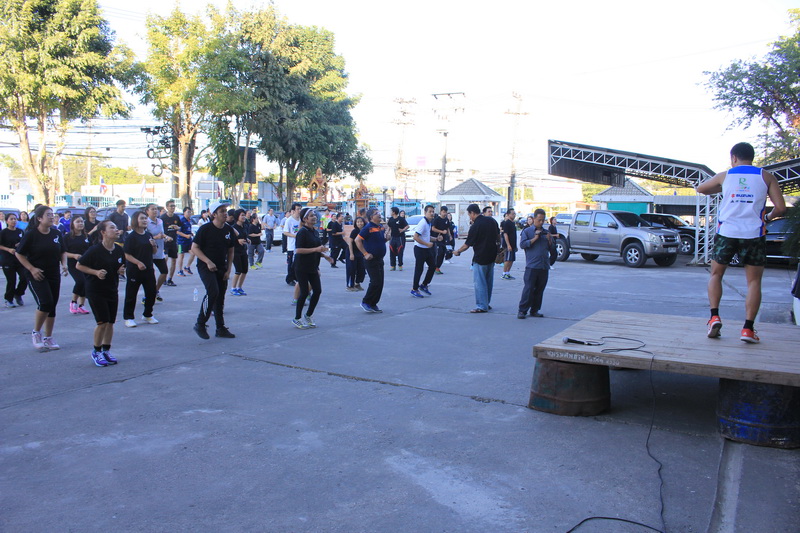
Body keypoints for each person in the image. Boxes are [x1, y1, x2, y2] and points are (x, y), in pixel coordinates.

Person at [697, 142, 786, 343]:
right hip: (754, 233)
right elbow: (781, 208)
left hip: (726, 232)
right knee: (754, 282)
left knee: (716, 274)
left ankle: (714, 317)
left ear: (734, 158)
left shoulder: (726, 175)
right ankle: (747, 329)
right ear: (751, 157)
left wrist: (723, 187)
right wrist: (767, 217)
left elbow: (701, 189)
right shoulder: (766, 176)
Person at [15, 205, 68, 351]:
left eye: (52, 214)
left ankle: (48, 337)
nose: (52, 217)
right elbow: (19, 253)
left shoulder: (56, 233)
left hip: (53, 273)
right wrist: (32, 269)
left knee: (52, 306)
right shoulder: (31, 235)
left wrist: (64, 265)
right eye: (48, 215)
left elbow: (63, 251)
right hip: (36, 274)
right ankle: (36, 332)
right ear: (39, 218)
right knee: (45, 303)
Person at [76, 220, 126, 366]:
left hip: (112, 289)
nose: (116, 230)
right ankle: (96, 351)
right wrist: (95, 272)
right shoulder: (95, 250)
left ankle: (106, 350)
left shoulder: (118, 250)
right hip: (95, 290)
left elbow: (120, 267)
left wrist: (120, 270)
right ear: (103, 232)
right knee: (102, 322)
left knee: (110, 322)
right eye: (112, 228)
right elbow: (79, 265)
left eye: (116, 227)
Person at [191, 202, 236, 340]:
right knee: (213, 292)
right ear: (214, 214)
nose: (225, 213)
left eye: (226, 210)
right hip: (206, 266)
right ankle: (200, 324)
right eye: (222, 211)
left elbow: (231, 250)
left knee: (220, 297)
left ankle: (220, 328)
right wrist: (207, 261)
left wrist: (228, 270)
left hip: (221, 267)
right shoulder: (205, 229)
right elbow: (194, 248)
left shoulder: (228, 230)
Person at [454, 203, 501, 313]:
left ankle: (481, 305)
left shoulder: (475, 226)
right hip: (492, 255)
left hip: (480, 257)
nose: (469, 217)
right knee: (488, 282)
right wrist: (498, 248)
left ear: (472, 213)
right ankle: (486, 303)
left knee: (480, 283)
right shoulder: (492, 221)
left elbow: (467, 244)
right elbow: (498, 236)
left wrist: (458, 251)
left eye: (469, 214)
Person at [292, 207, 335, 329]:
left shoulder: (315, 232)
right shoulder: (302, 232)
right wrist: (316, 249)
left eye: (314, 215)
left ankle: (308, 315)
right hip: (301, 266)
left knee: (317, 291)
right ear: (305, 219)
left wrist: (325, 256)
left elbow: (317, 249)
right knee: (304, 292)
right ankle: (297, 318)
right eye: (311, 216)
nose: (314, 217)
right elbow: (298, 250)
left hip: (313, 266)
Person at [123, 211, 158, 328]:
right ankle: (129, 317)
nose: (145, 220)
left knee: (151, 292)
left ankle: (148, 314)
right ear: (135, 221)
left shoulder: (148, 235)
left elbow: (154, 252)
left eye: (145, 218)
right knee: (131, 294)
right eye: (142, 218)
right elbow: (127, 254)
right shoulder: (131, 237)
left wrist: (153, 245)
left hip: (148, 269)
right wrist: (138, 263)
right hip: (134, 270)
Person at [517, 210, 553, 319]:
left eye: (543, 220)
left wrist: (549, 240)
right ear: (534, 219)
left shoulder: (546, 232)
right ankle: (522, 310)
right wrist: (535, 238)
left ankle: (535, 310)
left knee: (540, 289)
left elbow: (552, 249)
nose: (541, 222)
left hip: (543, 265)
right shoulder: (527, 231)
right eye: (539, 220)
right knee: (528, 289)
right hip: (532, 266)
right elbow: (523, 245)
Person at [355, 207, 391, 313]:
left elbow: (379, 241)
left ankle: (373, 303)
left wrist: (386, 238)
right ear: (371, 217)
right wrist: (365, 254)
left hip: (379, 259)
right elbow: (357, 240)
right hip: (371, 260)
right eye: (376, 213)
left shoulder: (380, 227)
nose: (379, 214)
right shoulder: (368, 227)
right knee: (375, 281)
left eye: (379, 212)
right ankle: (366, 302)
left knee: (380, 282)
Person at [64, 216, 92, 314]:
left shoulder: (87, 236)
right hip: (73, 265)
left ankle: (81, 305)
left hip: (86, 264)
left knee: (85, 283)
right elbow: (63, 252)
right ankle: (73, 302)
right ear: (72, 224)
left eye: (82, 222)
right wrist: (74, 255)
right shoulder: (67, 237)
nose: (80, 223)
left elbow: (92, 249)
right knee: (80, 281)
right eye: (78, 222)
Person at [410, 205, 439, 298]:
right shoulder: (423, 223)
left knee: (432, 266)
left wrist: (436, 239)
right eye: (430, 211)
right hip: (419, 249)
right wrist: (427, 244)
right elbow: (415, 237)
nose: (432, 213)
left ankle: (424, 285)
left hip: (426, 249)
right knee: (419, 269)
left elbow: (426, 236)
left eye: (433, 211)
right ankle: (414, 289)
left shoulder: (428, 223)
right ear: (425, 212)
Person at [0, 212, 28, 308]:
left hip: (19, 258)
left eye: (15, 219)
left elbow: (24, 243)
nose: (13, 221)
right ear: (7, 221)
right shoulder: (3, 232)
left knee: (25, 277)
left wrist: (20, 245)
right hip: (7, 259)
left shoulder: (20, 231)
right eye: (11, 219)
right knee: (11, 280)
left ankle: (18, 293)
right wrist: (8, 249)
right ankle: (9, 299)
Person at [145, 203, 168, 303]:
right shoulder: (145, 222)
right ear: (147, 211)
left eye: (156, 209)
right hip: (149, 252)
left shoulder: (160, 221)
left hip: (159, 251)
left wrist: (165, 237)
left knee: (164, 271)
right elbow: (144, 237)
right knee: (150, 275)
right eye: (153, 209)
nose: (155, 211)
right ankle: (148, 295)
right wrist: (155, 238)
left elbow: (162, 233)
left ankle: (155, 290)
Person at [160, 200, 182, 286]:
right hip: (165, 242)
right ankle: (163, 278)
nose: (173, 207)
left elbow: (179, 227)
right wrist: (166, 237)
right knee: (165, 258)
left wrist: (177, 228)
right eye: (171, 206)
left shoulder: (176, 217)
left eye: (174, 206)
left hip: (173, 241)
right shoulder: (162, 218)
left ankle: (170, 279)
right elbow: (160, 231)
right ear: (167, 207)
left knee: (173, 260)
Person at [230, 209, 250, 295]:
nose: (244, 217)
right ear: (237, 216)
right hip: (235, 251)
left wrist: (247, 240)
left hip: (243, 250)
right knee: (238, 270)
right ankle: (233, 288)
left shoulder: (245, 226)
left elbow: (245, 236)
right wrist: (237, 240)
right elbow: (230, 240)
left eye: (244, 215)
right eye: (242, 215)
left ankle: (239, 287)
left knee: (245, 270)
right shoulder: (233, 228)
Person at [345, 216, 367, 291]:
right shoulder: (355, 231)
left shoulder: (365, 231)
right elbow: (350, 242)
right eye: (358, 222)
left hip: (360, 252)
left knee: (361, 269)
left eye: (361, 222)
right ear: (355, 223)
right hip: (352, 251)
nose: (360, 223)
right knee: (351, 269)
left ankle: (357, 283)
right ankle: (350, 286)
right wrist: (351, 254)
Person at [283, 203, 301, 287]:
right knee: (291, 263)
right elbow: (285, 232)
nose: (299, 211)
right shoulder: (289, 220)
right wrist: (295, 236)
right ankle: (289, 279)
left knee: (298, 263)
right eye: (298, 209)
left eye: (300, 209)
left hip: (300, 245)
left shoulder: (301, 219)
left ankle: (297, 277)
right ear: (293, 210)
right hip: (292, 246)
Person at [388, 207, 409, 271]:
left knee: (400, 251)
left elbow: (407, 226)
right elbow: (389, 227)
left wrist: (402, 230)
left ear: (394, 212)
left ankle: (400, 265)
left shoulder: (401, 219)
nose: (390, 212)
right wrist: (387, 233)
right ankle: (392, 265)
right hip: (393, 237)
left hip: (400, 237)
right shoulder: (390, 219)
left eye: (391, 211)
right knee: (392, 250)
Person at [431, 206, 450, 275]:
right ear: (441, 212)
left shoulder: (446, 219)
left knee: (443, 253)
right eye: (443, 212)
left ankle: (437, 267)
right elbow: (433, 228)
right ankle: (434, 267)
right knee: (438, 253)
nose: (445, 213)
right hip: (437, 239)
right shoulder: (437, 219)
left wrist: (450, 236)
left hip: (444, 239)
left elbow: (447, 228)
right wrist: (441, 232)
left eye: (446, 212)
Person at [176, 206, 195, 276]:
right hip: (181, 241)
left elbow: (188, 229)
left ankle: (187, 267)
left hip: (189, 241)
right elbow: (177, 232)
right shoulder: (181, 221)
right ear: (184, 212)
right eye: (188, 212)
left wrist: (191, 234)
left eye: (190, 212)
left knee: (193, 253)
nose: (189, 213)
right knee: (181, 256)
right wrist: (185, 236)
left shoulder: (189, 220)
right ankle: (179, 271)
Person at [501, 208, 518, 280]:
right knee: (507, 259)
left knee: (511, 259)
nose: (514, 215)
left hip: (513, 244)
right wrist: (508, 245)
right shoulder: (507, 223)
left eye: (514, 214)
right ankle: (504, 273)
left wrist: (515, 245)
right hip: (508, 245)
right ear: (508, 214)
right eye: (512, 214)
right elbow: (505, 234)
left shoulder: (512, 223)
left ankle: (508, 273)